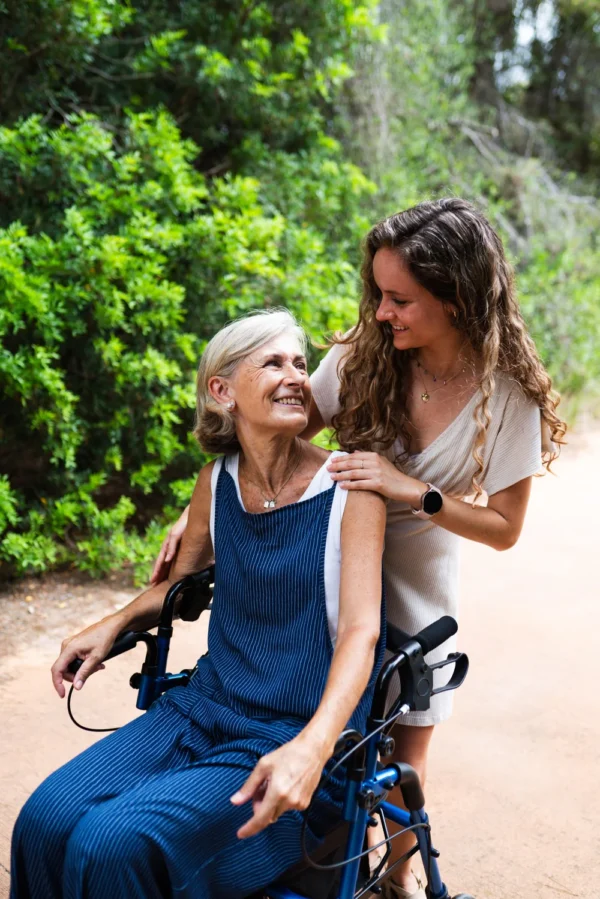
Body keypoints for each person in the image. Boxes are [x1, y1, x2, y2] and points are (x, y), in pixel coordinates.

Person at [150, 199, 567, 899]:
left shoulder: (509, 396)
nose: (380, 312)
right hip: (321, 556)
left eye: (399, 299)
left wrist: (414, 492)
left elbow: (504, 527)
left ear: (456, 298)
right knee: (314, 715)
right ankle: (298, 853)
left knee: (404, 748)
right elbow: (273, 437)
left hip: (417, 574)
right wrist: (199, 518)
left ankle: (398, 876)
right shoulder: (362, 355)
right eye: (378, 293)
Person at [10, 310, 386, 899]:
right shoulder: (216, 479)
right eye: (273, 363)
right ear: (222, 391)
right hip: (204, 708)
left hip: (288, 735)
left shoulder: (350, 490)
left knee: (110, 844)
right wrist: (113, 623)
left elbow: (362, 633)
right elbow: (178, 589)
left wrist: (312, 748)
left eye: (300, 364)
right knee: (44, 819)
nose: (295, 377)